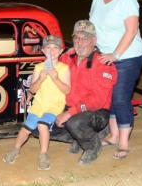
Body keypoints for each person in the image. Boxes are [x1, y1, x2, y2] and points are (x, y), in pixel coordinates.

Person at [89, 0, 142, 159]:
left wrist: (116, 54)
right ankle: (113, 135)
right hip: (104, 56)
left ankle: (123, 143)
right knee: (109, 97)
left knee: (120, 98)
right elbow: (92, 26)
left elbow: (131, 31)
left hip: (127, 56)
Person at [50, 20, 118, 165]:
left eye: (85, 38)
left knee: (75, 122)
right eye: (76, 38)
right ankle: (79, 137)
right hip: (71, 107)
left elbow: (97, 100)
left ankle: (93, 144)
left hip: (95, 112)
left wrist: (70, 113)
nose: (80, 42)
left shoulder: (103, 64)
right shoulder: (67, 57)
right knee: (39, 124)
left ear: (94, 40)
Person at [3, 35, 70, 170]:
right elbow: (32, 90)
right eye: (48, 47)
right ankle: (16, 149)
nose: (52, 51)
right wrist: (40, 79)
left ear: (61, 50)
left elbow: (67, 90)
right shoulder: (39, 67)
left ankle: (43, 154)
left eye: (55, 48)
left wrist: (56, 78)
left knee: (42, 124)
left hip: (54, 106)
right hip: (39, 105)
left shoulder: (64, 68)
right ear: (43, 51)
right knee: (26, 127)